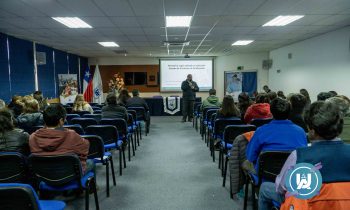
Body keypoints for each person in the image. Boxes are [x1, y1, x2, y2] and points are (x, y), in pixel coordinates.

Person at [258, 101, 350, 210]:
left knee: (265, 188)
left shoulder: (299, 155)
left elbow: (281, 188)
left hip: (309, 205)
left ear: (312, 130)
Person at [244, 98, 307, 173]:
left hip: (265, 177)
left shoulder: (261, 131)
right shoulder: (301, 132)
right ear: (290, 112)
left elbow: (250, 156)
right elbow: (303, 157)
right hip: (292, 177)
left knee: (246, 164)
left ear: (271, 112)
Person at [29, 104, 92, 173]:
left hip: (43, 175)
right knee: (91, 162)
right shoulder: (71, 135)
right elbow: (85, 147)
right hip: (68, 175)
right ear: (61, 120)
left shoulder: (32, 137)